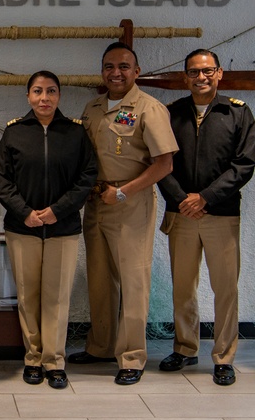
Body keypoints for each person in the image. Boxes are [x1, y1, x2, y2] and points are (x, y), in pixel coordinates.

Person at [67, 42, 178, 385]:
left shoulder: (149, 108)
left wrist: (125, 191)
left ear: (136, 71)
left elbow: (164, 164)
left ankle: (131, 356)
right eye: (109, 66)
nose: (116, 73)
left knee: (133, 281)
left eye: (124, 67)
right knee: (100, 279)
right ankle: (101, 346)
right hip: (97, 200)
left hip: (131, 201)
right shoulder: (94, 107)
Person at [157, 49, 255, 386]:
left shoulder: (238, 113)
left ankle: (224, 356)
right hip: (181, 213)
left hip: (222, 214)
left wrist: (206, 197)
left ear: (219, 74)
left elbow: (244, 165)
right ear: (185, 77)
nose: (201, 77)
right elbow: (159, 162)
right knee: (183, 286)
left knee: (225, 288)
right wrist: (182, 199)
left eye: (208, 71)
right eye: (194, 72)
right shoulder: (171, 114)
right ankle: (185, 348)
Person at [0, 71, 97, 389]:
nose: (44, 98)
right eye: (37, 91)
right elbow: (1, 178)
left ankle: (54, 361)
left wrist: (57, 211)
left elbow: (87, 176)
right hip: (22, 228)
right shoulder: (14, 133)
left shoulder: (75, 133)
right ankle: (33, 359)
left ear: (59, 96)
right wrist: (25, 213)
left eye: (51, 91)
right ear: (28, 96)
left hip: (62, 228)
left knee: (57, 297)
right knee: (28, 295)